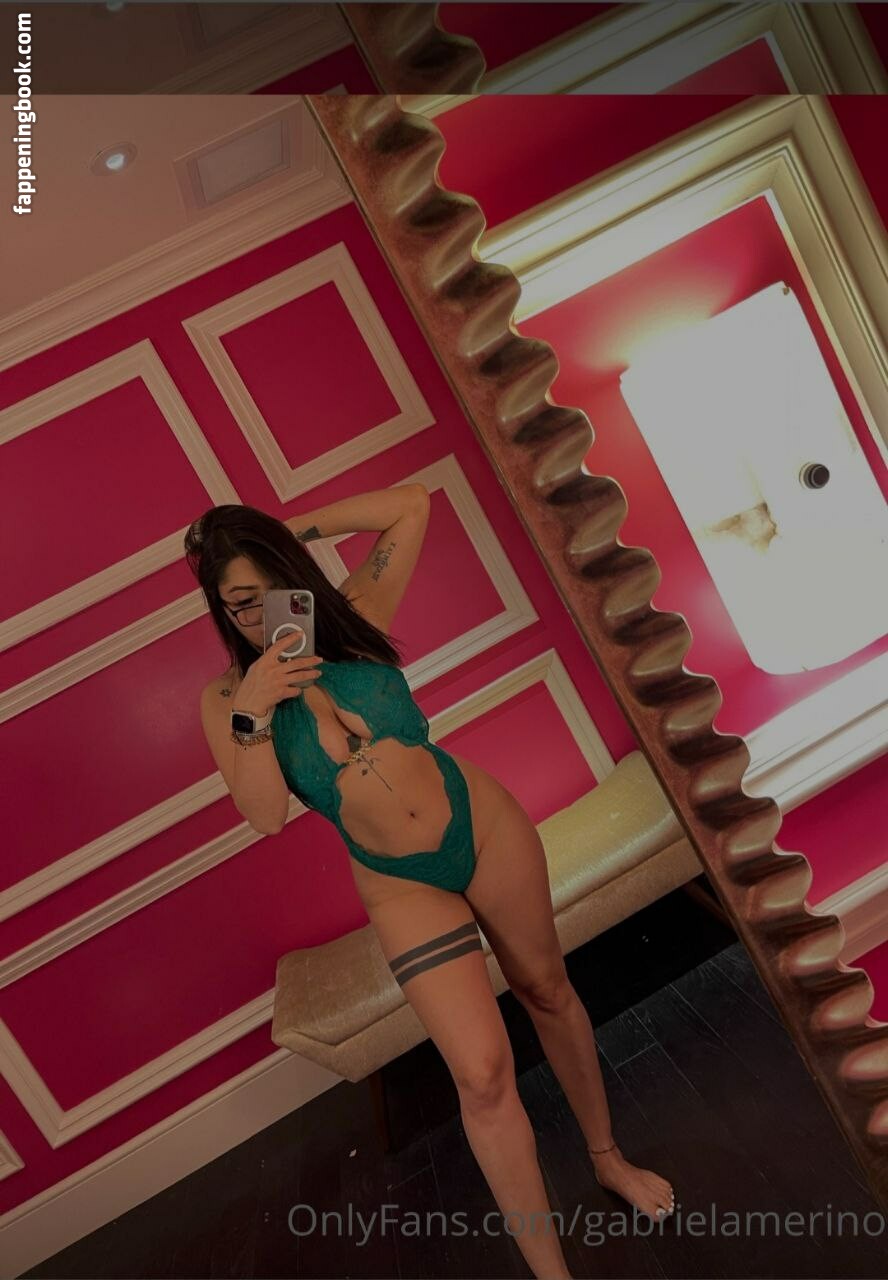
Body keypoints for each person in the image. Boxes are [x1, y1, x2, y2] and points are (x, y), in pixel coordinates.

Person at [185, 488, 674, 1279]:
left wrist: (290, 532)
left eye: (277, 588)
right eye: (242, 602)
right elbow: (266, 816)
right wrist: (255, 710)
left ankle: (608, 1157)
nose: (264, 613)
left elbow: (410, 505)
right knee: (480, 1075)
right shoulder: (224, 703)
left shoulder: (353, 613)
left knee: (547, 990)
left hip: (482, 827)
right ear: (218, 605)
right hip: (400, 881)